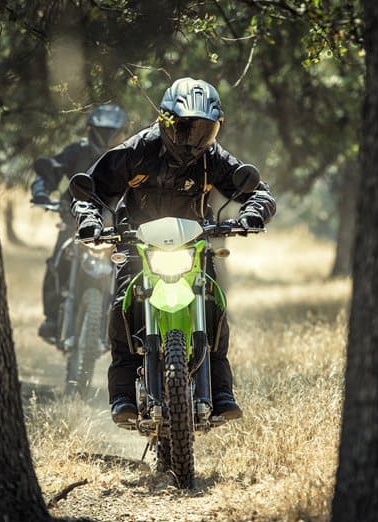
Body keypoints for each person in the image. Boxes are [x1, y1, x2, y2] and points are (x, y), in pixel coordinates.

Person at [71, 77, 276, 424]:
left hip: (192, 243)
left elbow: (260, 191)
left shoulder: (213, 158)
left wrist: (253, 212)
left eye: (204, 131)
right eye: (185, 129)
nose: (194, 140)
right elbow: (89, 191)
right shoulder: (136, 151)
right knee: (122, 305)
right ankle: (122, 395)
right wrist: (90, 220)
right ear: (165, 122)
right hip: (137, 241)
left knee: (214, 302)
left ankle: (222, 390)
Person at [32, 103, 129, 341]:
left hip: (115, 227)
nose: (107, 137)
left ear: (123, 132)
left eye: (113, 132)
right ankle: (53, 318)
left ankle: (126, 325)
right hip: (74, 222)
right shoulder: (77, 152)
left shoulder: (130, 157)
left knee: (132, 268)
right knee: (57, 261)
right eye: (102, 131)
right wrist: (42, 191)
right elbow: (51, 170)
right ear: (91, 130)